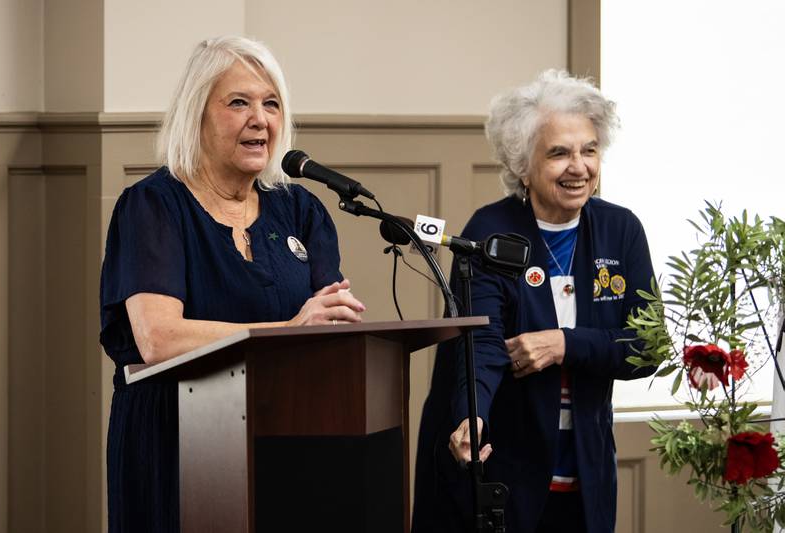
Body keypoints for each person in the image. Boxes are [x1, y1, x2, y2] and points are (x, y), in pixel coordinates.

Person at [99, 36, 366, 532]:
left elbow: (327, 326)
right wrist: (286, 327)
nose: (259, 119)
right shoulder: (154, 207)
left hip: (289, 438)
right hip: (176, 444)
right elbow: (159, 339)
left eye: (271, 103)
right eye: (238, 102)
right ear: (196, 114)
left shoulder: (301, 210)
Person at [412, 70, 656, 533]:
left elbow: (647, 346)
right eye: (559, 153)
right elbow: (478, 344)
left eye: (589, 150)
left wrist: (565, 344)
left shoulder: (621, 231)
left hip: (587, 474)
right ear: (523, 164)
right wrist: (472, 416)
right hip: (510, 477)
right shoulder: (489, 230)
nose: (579, 167)